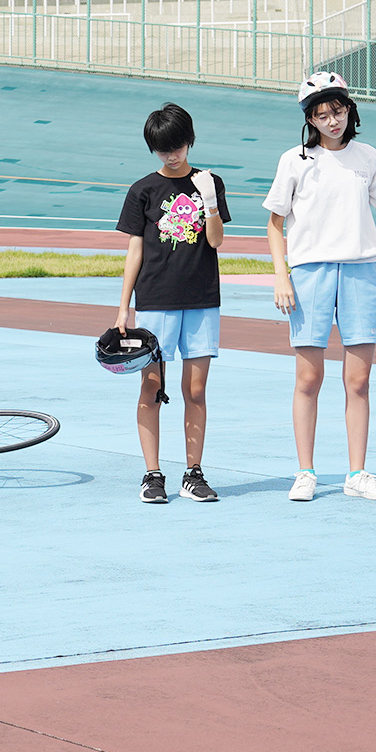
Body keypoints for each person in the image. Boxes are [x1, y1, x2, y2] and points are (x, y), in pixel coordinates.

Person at [264, 72, 376, 503]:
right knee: (309, 376)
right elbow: (275, 223)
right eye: (322, 114)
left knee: (358, 380)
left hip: (361, 273)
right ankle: (306, 471)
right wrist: (281, 273)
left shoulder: (367, 157)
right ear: (310, 119)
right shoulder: (294, 160)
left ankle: (357, 473)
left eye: (338, 111)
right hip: (309, 273)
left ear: (350, 111)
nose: (332, 121)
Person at [113, 103, 231, 504]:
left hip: (201, 299)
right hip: (156, 300)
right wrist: (123, 307)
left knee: (195, 389)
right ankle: (152, 474)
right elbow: (134, 252)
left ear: (189, 140)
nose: (171, 154)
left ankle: (193, 472)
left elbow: (215, 240)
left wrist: (209, 200)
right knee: (152, 386)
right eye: (162, 148)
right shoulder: (142, 190)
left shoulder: (210, 182)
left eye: (177, 145)